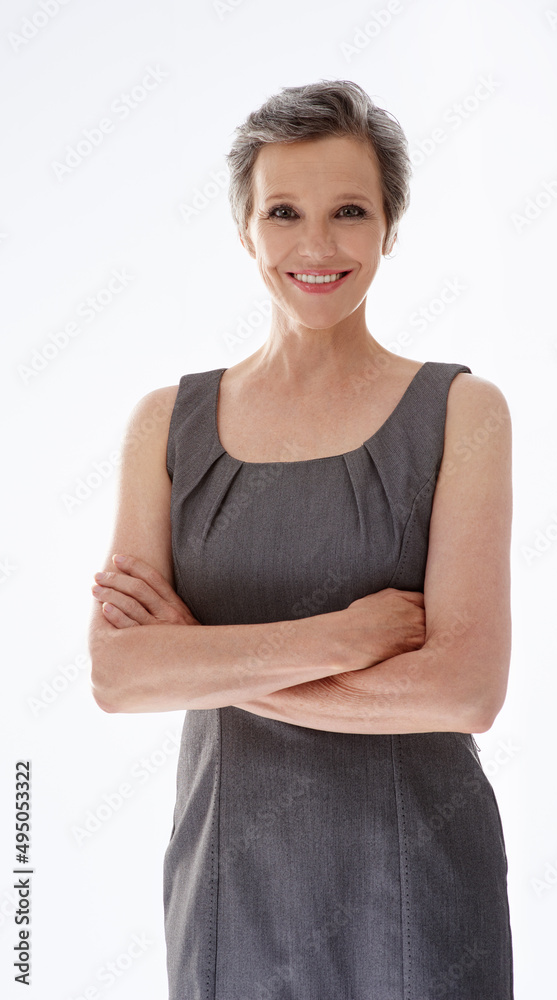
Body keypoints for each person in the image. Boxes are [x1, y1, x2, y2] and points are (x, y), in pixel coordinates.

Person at [88, 79, 513, 999]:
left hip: (418, 876)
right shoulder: (163, 425)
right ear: (245, 228)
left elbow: (466, 691)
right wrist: (342, 638)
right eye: (284, 212)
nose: (316, 246)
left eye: (349, 211)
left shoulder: (463, 413)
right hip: (226, 886)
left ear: (390, 227)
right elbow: (120, 678)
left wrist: (200, 656)